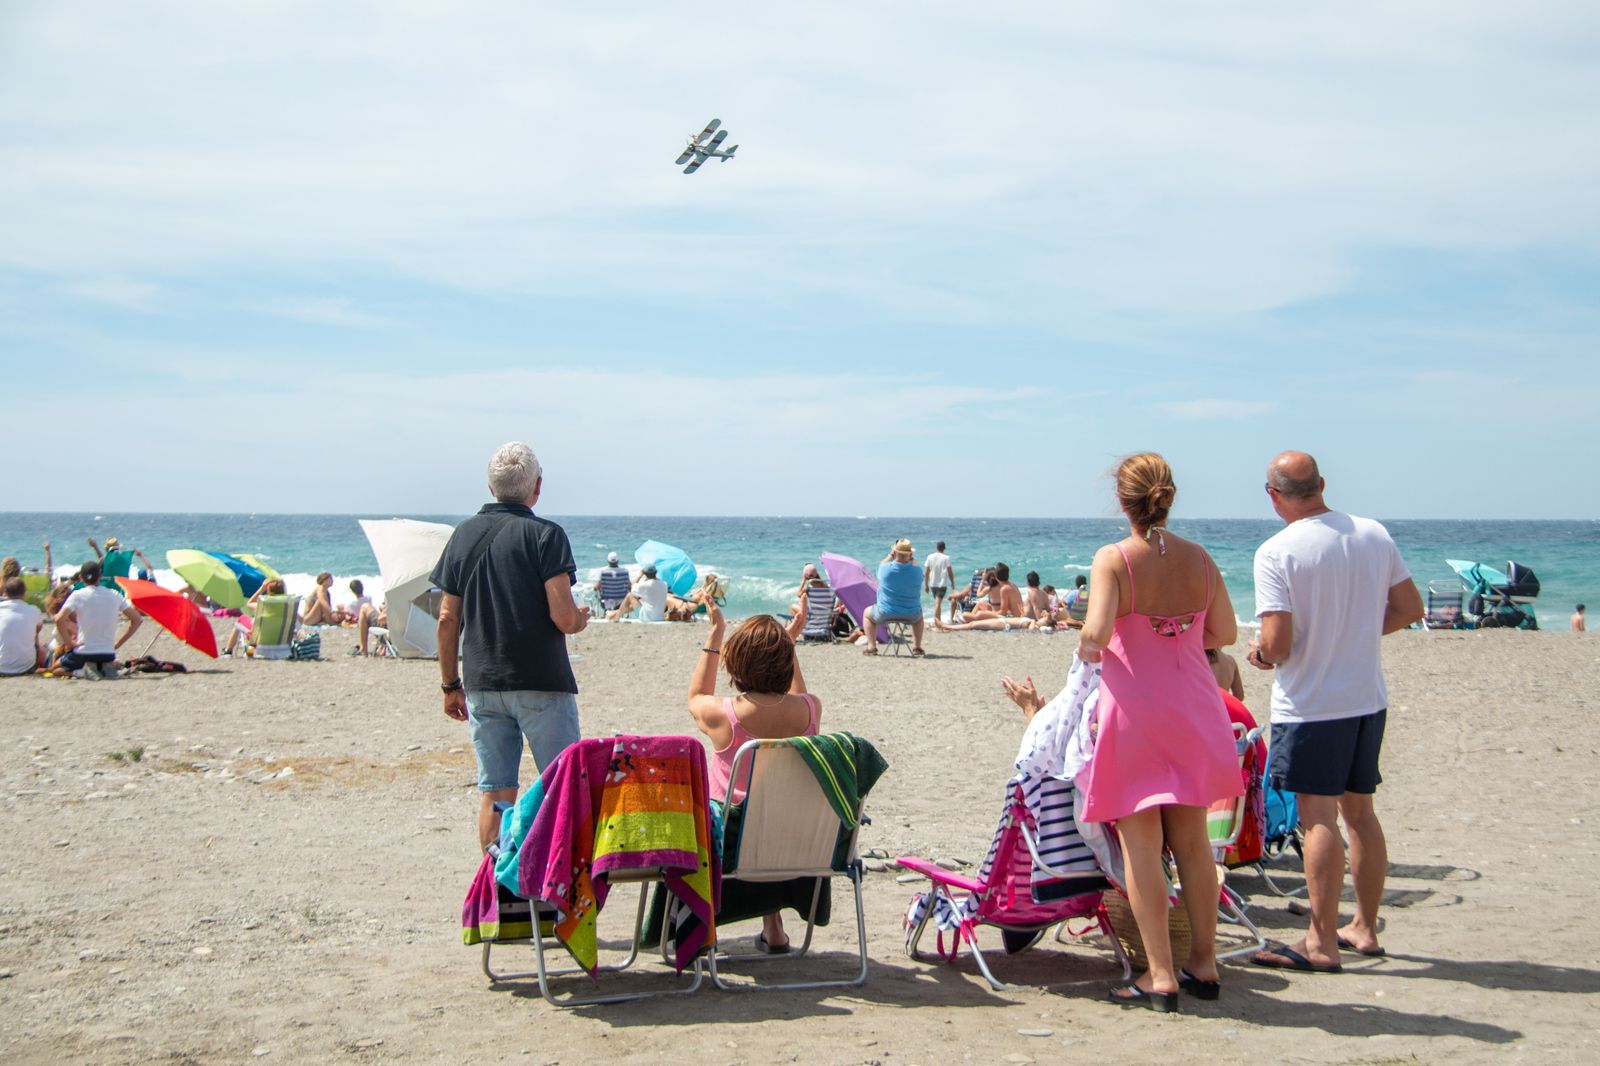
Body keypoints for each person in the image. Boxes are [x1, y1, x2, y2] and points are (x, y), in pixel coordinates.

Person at [1068, 452, 1242, 1010]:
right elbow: (1226, 631)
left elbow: (1095, 633)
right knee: (1193, 842)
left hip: (1137, 710)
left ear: (1122, 501)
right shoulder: (1200, 558)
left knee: (1140, 843)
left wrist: (1091, 638)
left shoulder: (1114, 558)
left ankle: (1160, 975)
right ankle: (1205, 964)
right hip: (1196, 705)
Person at [1247, 450, 1423, 974]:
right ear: (1321, 484)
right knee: (1361, 814)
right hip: (1366, 697)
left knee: (1317, 818)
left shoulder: (1277, 551)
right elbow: (1410, 609)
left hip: (1312, 704)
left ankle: (1320, 940)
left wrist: (1259, 655)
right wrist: (1360, 633)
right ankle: (1364, 927)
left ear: (1273, 496)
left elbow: (1277, 644)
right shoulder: (1372, 533)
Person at [432, 441, 587, 852]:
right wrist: (581, 619)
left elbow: (448, 619)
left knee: (496, 793)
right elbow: (563, 617)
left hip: (483, 680)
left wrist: (450, 685)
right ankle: (555, 886)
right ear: (537, 487)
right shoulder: (546, 535)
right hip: (541, 681)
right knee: (561, 787)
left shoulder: (463, 535)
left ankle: (494, 886)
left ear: (490, 485)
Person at [686, 599, 820, 953]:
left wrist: (716, 632)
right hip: (795, 839)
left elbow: (696, 695)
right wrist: (787, 642)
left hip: (732, 843)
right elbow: (798, 692)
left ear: (736, 663)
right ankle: (773, 927)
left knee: (731, 810)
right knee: (768, 805)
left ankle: (697, 931)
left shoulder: (724, 715)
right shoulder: (809, 710)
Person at [53, 560, 142, 678]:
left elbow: (59, 619)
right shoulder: (114, 594)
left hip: (84, 652)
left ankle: (82, 672)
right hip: (108, 653)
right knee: (97, 661)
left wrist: (69, 643)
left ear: (80, 577)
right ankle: (100, 668)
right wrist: (118, 643)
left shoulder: (77, 595)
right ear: (100, 576)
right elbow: (137, 619)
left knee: (55, 669)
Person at [862, 539, 925, 656]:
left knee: (867, 613)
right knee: (919, 617)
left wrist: (891, 555)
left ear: (895, 552)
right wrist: (911, 559)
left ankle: (871, 647)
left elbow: (881, 564)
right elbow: (920, 573)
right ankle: (917, 647)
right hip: (911, 614)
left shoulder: (885, 569)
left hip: (885, 613)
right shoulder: (917, 571)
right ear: (910, 554)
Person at [221, 578, 289, 656]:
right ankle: (248, 650)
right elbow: (300, 621)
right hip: (279, 641)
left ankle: (228, 651)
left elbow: (249, 603)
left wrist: (262, 588)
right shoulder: (288, 607)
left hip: (259, 641)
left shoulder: (264, 606)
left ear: (268, 591)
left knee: (241, 619)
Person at [0, 576, 45, 676]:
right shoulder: (34, 610)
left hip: (1, 666)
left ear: (5, 593)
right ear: (24, 593)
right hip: (26, 666)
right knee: (41, 646)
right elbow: (37, 631)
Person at [87, 536, 154, 582]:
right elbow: (150, 568)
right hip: (122, 588)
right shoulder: (125, 559)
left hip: (106, 587)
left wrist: (95, 547)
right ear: (118, 548)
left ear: (107, 549)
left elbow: (103, 562)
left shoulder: (104, 560)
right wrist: (141, 555)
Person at [924, 541, 954, 622]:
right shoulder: (946, 558)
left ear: (936, 548)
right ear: (944, 548)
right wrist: (952, 583)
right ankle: (937, 622)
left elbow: (926, 572)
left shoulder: (930, 557)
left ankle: (938, 621)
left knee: (937, 603)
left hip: (932, 584)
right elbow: (950, 571)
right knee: (938, 604)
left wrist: (926, 585)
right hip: (942, 584)